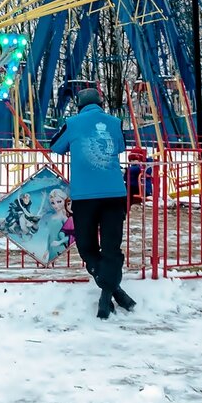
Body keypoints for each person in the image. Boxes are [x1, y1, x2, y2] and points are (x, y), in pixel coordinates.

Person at [48, 87, 135, 319]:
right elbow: (120, 146)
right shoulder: (115, 122)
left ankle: (106, 296)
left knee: (87, 246)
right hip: (114, 194)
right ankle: (113, 290)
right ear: (100, 103)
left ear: (79, 105)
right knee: (111, 247)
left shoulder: (72, 123)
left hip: (85, 197)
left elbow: (55, 146)